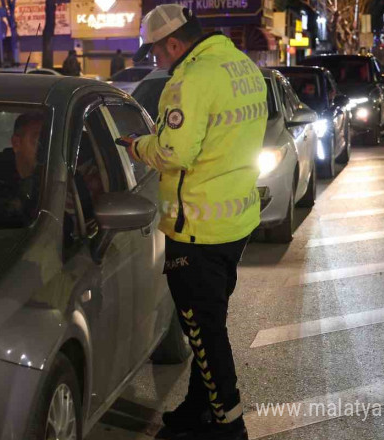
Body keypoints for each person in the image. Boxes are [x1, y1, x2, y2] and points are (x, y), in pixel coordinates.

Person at [121, 5, 267, 440]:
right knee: (208, 323)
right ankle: (196, 409)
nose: (155, 61)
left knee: (203, 333)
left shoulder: (190, 81)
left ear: (174, 43)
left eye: (155, 52)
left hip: (197, 227)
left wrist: (136, 146)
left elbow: (174, 153)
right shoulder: (241, 65)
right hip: (234, 221)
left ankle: (229, 424)